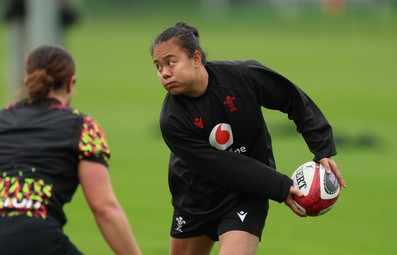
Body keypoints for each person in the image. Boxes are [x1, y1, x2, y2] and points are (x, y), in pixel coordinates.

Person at [150, 22, 347, 255]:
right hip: (196, 198)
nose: (164, 72)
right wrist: (280, 186)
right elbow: (222, 166)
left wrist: (322, 148)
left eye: (171, 63)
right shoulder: (172, 120)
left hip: (245, 193)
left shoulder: (241, 77)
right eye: (158, 66)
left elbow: (292, 97)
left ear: (195, 58)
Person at [0, 45, 142, 255]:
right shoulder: (83, 127)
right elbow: (104, 209)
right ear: (70, 83)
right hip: (38, 238)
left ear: (26, 82)